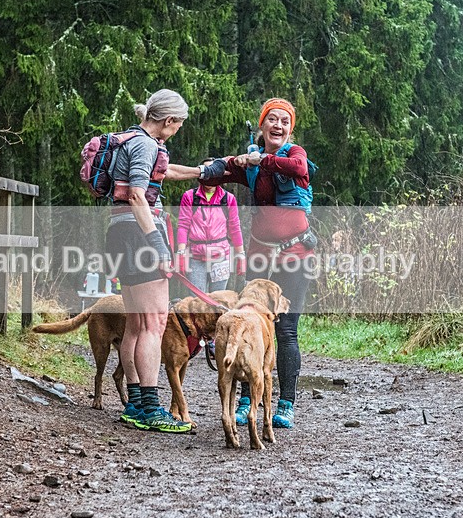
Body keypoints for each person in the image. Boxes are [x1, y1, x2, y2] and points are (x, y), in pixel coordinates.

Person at [169, 97, 315, 429]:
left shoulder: (294, 154)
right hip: (261, 254)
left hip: (296, 255)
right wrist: (211, 165)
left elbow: (298, 170)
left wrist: (260, 159)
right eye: (272, 120)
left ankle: (286, 404)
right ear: (262, 126)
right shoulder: (248, 162)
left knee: (286, 331)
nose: (278, 126)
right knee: (248, 324)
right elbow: (215, 173)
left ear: (289, 129)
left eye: (284, 122)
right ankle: (248, 399)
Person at [103, 89, 228, 433]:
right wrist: (158, 245)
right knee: (153, 325)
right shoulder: (144, 144)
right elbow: (138, 195)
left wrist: (201, 171)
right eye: (178, 125)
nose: (177, 131)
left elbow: (163, 171)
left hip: (121, 233)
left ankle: (136, 405)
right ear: (169, 121)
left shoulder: (135, 139)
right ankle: (151, 407)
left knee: (135, 324)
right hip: (139, 236)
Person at [176, 158, 246, 293]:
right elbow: (183, 225)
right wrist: (181, 252)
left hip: (220, 257)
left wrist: (241, 254)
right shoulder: (190, 197)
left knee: (218, 299)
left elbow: (235, 227)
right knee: (196, 301)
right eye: (206, 172)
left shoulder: (228, 199)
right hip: (196, 257)